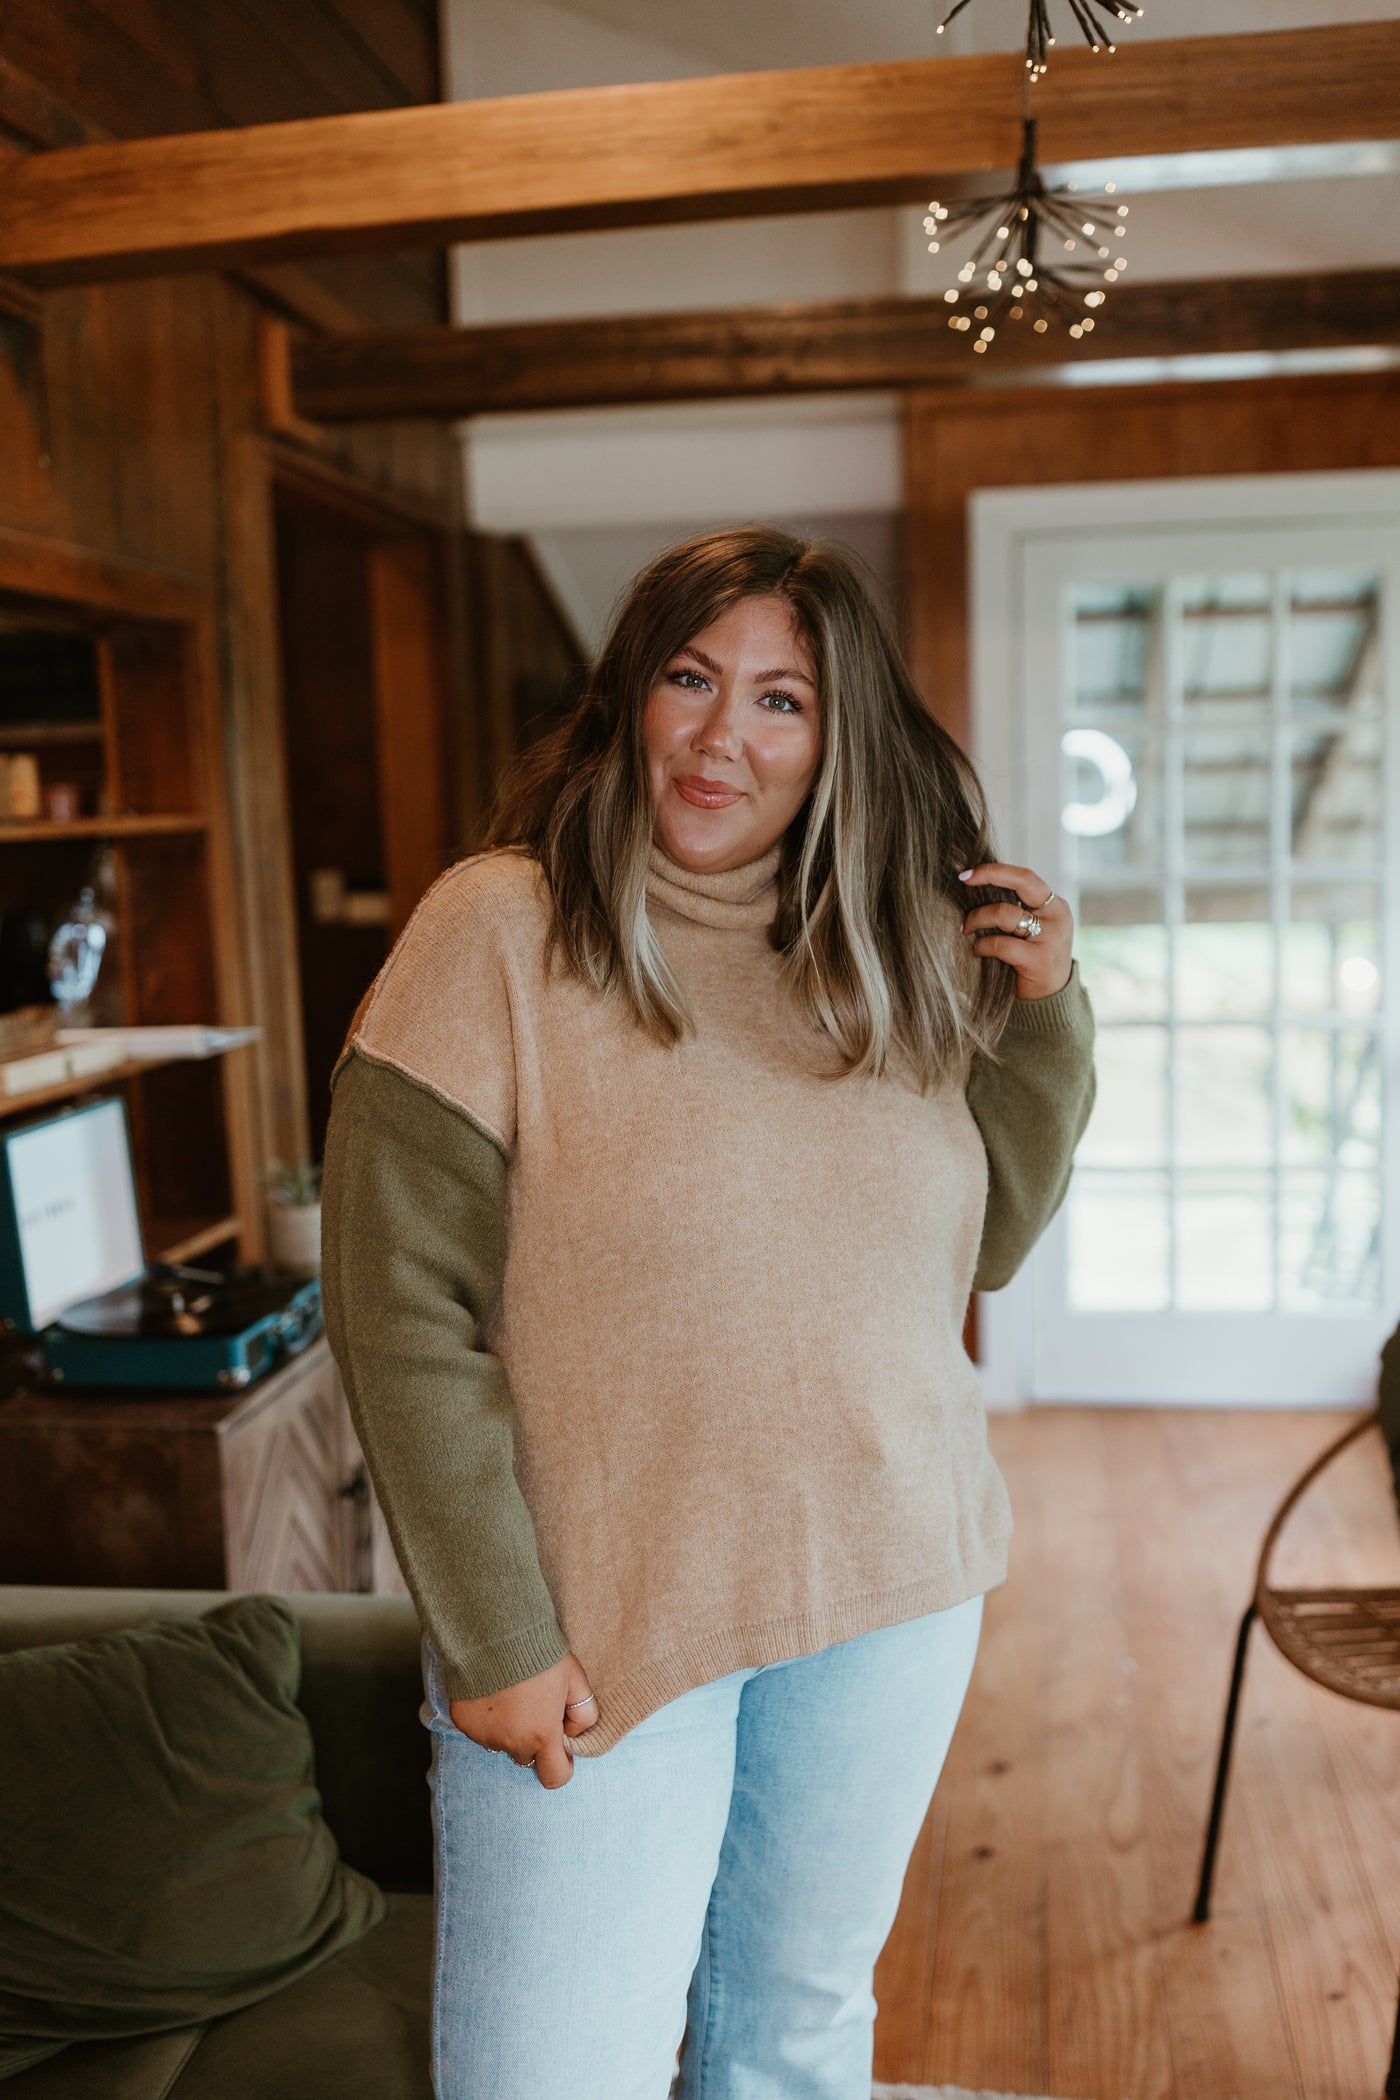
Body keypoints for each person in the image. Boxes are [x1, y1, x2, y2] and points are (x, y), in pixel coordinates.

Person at [321, 526, 1094, 2100]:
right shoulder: (499, 930)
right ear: (633, 695)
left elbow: (989, 1244)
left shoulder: (882, 948)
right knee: (547, 2075)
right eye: (691, 677)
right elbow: (400, 1311)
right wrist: (497, 1638)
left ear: (837, 739)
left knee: (794, 2045)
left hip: (893, 1583)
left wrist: (1046, 1016)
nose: (722, 733)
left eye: (780, 700)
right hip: (599, 1626)